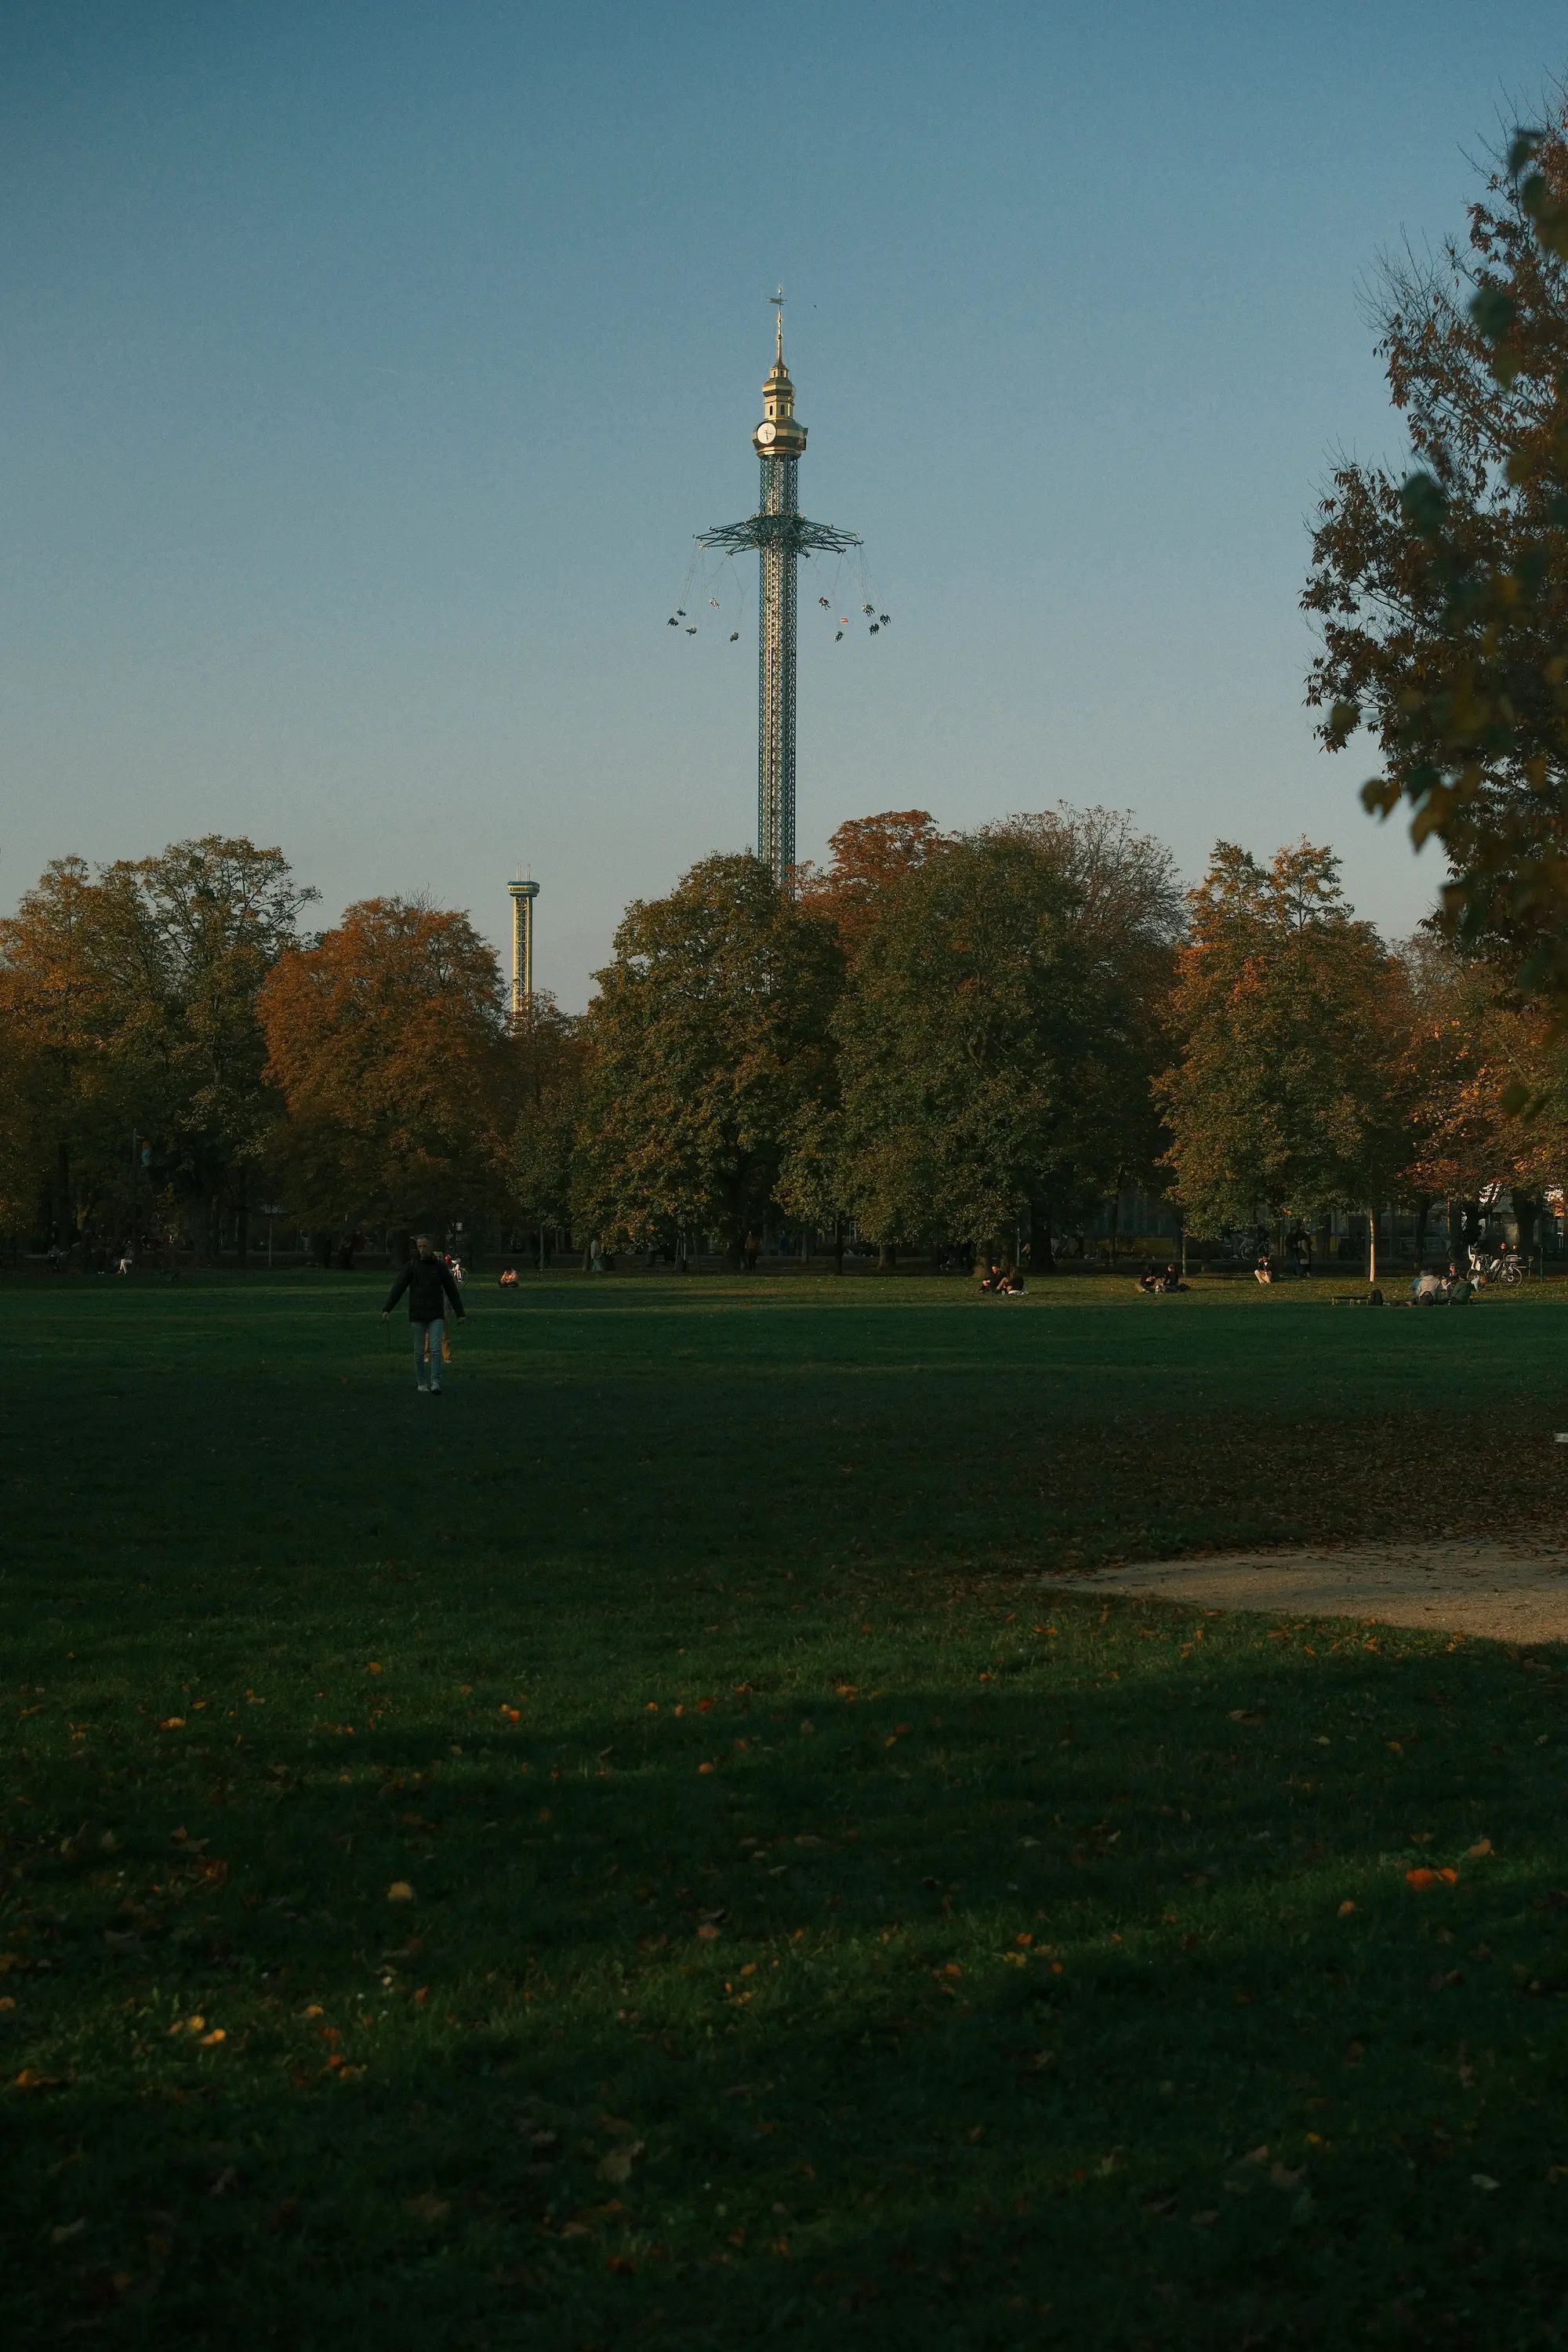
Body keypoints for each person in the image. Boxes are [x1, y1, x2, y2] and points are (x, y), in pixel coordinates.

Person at [382, 1235, 466, 1393]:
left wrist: (460, 1312)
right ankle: (421, 1382)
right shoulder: (412, 1266)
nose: (422, 1249)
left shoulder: (439, 1267)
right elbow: (398, 1288)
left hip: (435, 1313)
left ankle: (435, 1382)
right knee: (419, 1351)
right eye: (419, 1247)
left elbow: (452, 1290)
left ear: (431, 1247)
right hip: (417, 1313)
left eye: (425, 1246)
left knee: (435, 1350)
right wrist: (387, 1309)